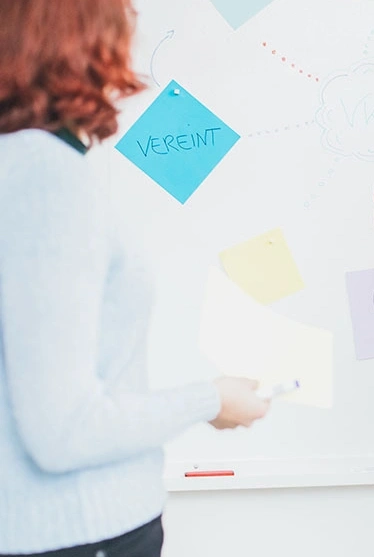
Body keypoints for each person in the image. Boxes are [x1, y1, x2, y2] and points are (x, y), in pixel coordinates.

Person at [0, 1, 270, 555]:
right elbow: (64, 430)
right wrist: (211, 400)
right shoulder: (43, 177)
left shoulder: (30, 165)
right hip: (80, 530)